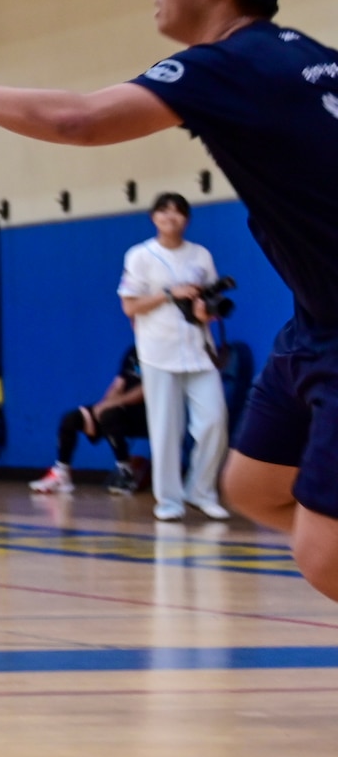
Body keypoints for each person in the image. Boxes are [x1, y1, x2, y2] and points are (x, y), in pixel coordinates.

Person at [0, 0, 338, 578]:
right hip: (314, 324)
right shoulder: (299, 56)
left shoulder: (231, 64)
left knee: (321, 554)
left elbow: (80, 120)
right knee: (252, 486)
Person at [117, 193, 230, 521]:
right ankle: (168, 501)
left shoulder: (201, 255)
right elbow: (130, 306)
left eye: (179, 212)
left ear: (187, 219)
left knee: (213, 420)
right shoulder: (140, 256)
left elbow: (211, 302)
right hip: (157, 350)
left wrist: (205, 310)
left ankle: (201, 490)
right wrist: (169, 294)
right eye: (164, 211)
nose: (171, 217)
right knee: (166, 428)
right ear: (153, 217)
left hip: (198, 349)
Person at [31, 348, 148, 496]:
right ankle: (62, 473)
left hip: (147, 415)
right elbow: (118, 385)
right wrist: (103, 405)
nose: (134, 324)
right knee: (71, 419)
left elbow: (146, 390)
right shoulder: (133, 353)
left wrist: (112, 405)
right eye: (132, 322)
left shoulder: (157, 352)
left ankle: (125, 472)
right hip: (121, 410)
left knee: (109, 415)